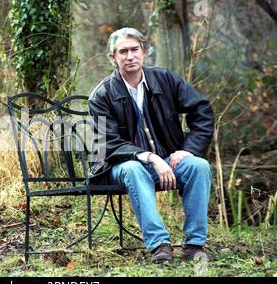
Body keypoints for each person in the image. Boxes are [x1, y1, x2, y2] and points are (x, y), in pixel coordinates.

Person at [88, 27, 215, 263]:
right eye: (122, 51)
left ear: (144, 52)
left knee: (198, 166)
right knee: (134, 169)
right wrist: (150, 157)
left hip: (169, 161)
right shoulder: (102, 94)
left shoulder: (166, 80)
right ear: (113, 58)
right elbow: (108, 143)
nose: (130, 56)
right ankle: (160, 244)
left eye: (135, 49)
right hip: (121, 166)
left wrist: (188, 150)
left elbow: (202, 111)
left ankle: (195, 244)